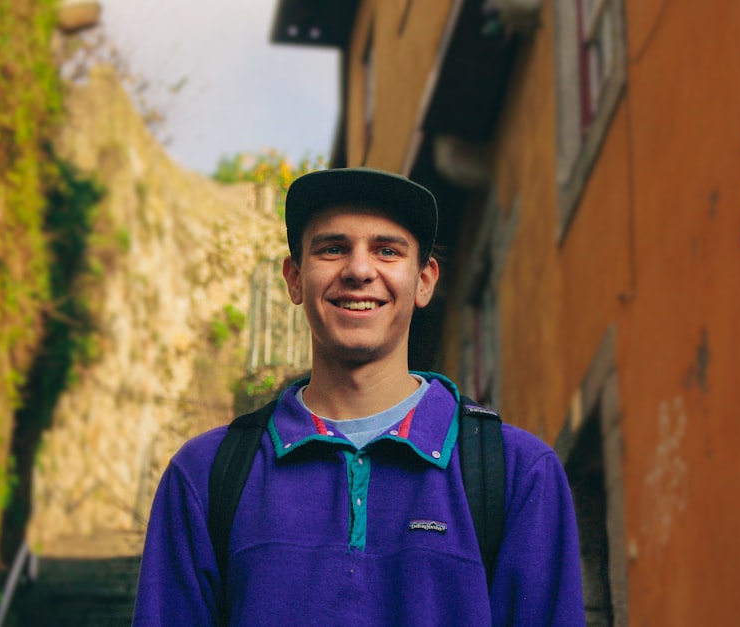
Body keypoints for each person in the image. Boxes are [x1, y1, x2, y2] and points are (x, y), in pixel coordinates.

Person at [132, 167, 584, 625]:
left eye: (387, 250)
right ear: (293, 278)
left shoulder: (517, 473)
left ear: (424, 280)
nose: (360, 270)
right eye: (333, 249)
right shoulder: (205, 476)